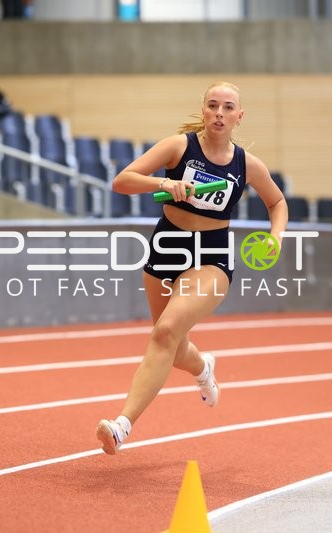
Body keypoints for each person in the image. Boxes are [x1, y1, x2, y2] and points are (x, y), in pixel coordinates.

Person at [95, 81, 288, 455]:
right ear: (203, 110)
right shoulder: (179, 147)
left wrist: (275, 237)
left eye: (228, 108)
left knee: (166, 332)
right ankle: (203, 368)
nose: (219, 113)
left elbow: (277, 202)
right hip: (167, 246)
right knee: (169, 342)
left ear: (239, 117)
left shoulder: (247, 165)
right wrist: (165, 182)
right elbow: (122, 181)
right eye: (213, 105)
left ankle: (121, 426)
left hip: (211, 255)